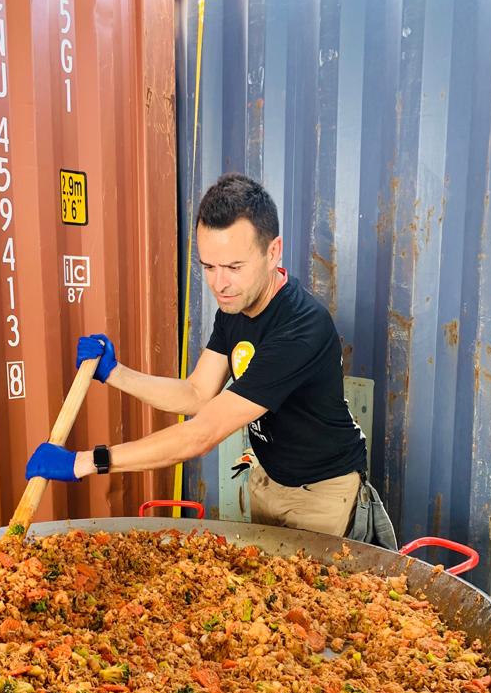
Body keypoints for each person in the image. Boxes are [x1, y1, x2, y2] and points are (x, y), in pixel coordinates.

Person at [27, 173, 370, 538]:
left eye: (234, 267)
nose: (219, 284)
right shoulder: (236, 307)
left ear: (273, 252)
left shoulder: (302, 327)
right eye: (208, 266)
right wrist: (114, 373)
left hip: (323, 494)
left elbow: (202, 433)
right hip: (268, 480)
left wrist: (86, 462)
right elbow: (196, 394)